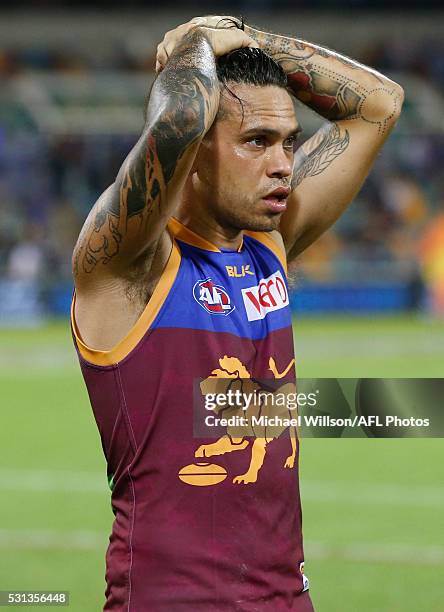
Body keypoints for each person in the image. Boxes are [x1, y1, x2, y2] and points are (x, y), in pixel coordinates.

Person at [71, 16, 403, 611]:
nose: (281, 164)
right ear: (194, 156)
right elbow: (175, 121)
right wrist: (195, 48)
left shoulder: (268, 246)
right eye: (256, 141)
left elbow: (379, 104)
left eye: (288, 142)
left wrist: (244, 37)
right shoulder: (130, 268)